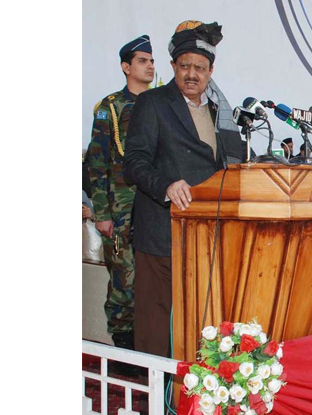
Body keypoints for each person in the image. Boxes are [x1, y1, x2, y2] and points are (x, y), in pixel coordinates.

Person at [124, 20, 240, 357]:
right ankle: (156, 397)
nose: (192, 74)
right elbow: (134, 162)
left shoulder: (222, 112)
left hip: (207, 235)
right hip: (162, 232)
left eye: (200, 68)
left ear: (210, 71)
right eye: (185, 65)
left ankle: (195, 393)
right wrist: (167, 186)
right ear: (174, 66)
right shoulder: (153, 103)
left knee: (201, 319)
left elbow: (226, 167)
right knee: (156, 325)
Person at [86, 35, 154, 351]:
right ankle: (125, 349)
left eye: (152, 60)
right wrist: (101, 213)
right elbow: (96, 164)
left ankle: (152, 349)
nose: (150, 66)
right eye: (143, 60)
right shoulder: (110, 108)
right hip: (121, 211)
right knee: (124, 282)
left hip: (156, 206)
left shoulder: (164, 104)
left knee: (155, 280)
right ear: (126, 67)